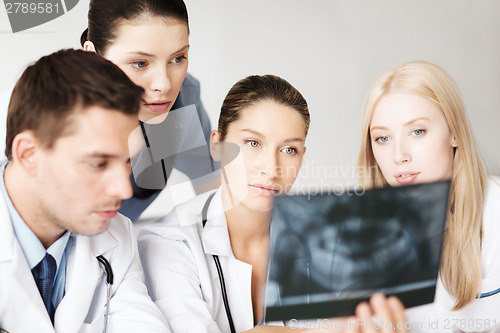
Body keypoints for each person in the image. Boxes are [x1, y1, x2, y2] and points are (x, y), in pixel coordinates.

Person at [138, 74, 408, 333]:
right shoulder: (168, 241)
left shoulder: (331, 238)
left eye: (289, 149)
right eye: (253, 143)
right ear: (217, 146)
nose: (271, 168)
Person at [0, 49, 169, 332]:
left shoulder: (116, 235)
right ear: (28, 154)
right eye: (98, 163)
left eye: (128, 161)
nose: (124, 190)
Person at [357, 61, 500, 332]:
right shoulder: (360, 236)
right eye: (382, 139)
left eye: (417, 131)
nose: (399, 155)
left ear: (454, 133)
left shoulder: (496, 210)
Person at [81, 0, 219, 222]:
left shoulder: (184, 100)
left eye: (177, 58)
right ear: (93, 58)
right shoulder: (40, 108)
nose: (164, 84)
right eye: (140, 63)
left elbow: (215, 199)